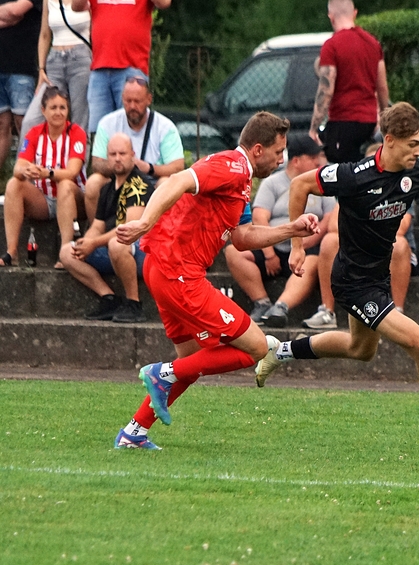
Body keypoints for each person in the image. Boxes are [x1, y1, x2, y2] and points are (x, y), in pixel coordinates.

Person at [256, 102, 419, 449]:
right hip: (352, 282)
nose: (418, 151)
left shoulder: (415, 173)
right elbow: (300, 185)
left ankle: (280, 351)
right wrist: (297, 245)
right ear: (389, 140)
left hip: (378, 278)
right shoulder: (353, 175)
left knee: (359, 349)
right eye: (412, 144)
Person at [111, 112, 320, 450]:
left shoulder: (242, 179)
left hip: (164, 268)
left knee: (192, 361)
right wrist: (145, 222)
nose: (281, 160)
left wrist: (291, 229)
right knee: (256, 348)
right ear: (257, 149)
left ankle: (134, 432)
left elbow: (242, 237)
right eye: (278, 152)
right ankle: (160, 373)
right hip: (177, 271)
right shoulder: (232, 166)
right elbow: (177, 181)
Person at [226, 133, 334, 326]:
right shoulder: (272, 183)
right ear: (296, 161)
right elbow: (259, 216)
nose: (317, 162)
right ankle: (262, 303)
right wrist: (269, 255)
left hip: (306, 249)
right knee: (233, 252)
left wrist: (304, 243)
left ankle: (280, 308)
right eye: (312, 158)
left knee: (312, 262)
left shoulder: (321, 183)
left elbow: (329, 217)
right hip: (274, 248)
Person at [304, 142, 415, 329]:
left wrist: (364, 225)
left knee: (400, 244)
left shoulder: (403, 186)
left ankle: (397, 311)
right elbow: (333, 225)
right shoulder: (355, 185)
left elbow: (400, 228)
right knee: (330, 241)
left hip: (388, 250)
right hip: (359, 253)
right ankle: (326, 311)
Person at [71, 0, 171, 133]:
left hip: (131, 69)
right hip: (100, 69)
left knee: (130, 128)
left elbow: (164, 0)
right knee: (99, 130)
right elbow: (76, 5)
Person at [59, 132, 153, 322]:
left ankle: (133, 303)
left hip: (145, 253)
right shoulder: (107, 188)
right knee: (67, 252)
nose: (117, 158)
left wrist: (94, 244)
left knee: (118, 243)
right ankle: (109, 298)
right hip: (115, 250)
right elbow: (98, 226)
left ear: (132, 155)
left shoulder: (140, 184)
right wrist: (86, 242)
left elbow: (130, 230)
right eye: (113, 154)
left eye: (122, 153)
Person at [2, 86, 85, 266]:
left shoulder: (76, 132)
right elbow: (18, 167)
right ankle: (12, 252)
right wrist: (25, 171)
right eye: (53, 108)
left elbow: (72, 172)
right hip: (44, 200)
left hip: (74, 197)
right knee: (14, 184)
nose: (58, 112)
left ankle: (65, 253)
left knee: (65, 184)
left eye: (62, 107)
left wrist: (48, 173)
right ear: (43, 110)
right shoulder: (34, 133)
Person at [84, 75, 184, 221]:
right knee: (93, 182)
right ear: (122, 98)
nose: (132, 106)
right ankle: (98, 229)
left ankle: (158, 232)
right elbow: (97, 163)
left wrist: (149, 168)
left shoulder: (165, 127)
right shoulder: (107, 123)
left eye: (137, 101)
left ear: (149, 99)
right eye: (128, 101)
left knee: (165, 183)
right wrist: (121, 165)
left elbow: (178, 167)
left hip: (150, 183)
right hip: (116, 181)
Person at [309, 0, 390, 163]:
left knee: (338, 168)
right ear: (354, 13)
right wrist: (384, 119)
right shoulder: (373, 43)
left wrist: (314, 128)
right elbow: (382, 86)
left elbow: (326, 90)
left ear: (331, 17)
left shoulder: (331, 46)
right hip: (368, 122)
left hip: (343, 120)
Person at [22, 0, 91, 134]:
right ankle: (30, 153)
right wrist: (41, 68)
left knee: (79, 119)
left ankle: (79, 154)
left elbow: (96, 31)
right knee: (32, 119)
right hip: (55, 59)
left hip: (80, 57)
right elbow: (45, 34)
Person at [0, 0, 44, 172]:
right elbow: (12, 15)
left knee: (24, 123)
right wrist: (9, 15)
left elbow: (18, 11)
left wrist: (13, 13)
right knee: (1, 125)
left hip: (22, 67)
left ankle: (27, 177)